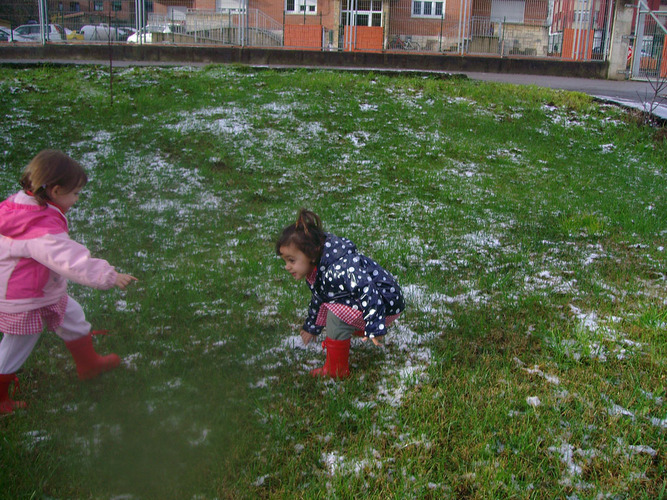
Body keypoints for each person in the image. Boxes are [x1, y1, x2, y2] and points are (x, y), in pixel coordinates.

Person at [0, 150, 137, 414]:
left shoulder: (23, 206)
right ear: (55, 190)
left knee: (72, 315)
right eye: (74, 194)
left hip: (39, 289)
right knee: (17, 345)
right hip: (23, 298)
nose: (76, 199)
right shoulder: (39, 230)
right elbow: (70, 260)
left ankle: (88, 363)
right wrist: (109, 276)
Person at [276, 209, 405, 379]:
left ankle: (336, 370)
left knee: (336, 316)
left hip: (386, 303)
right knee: (334, 305)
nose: (287, 266)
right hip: (379, 303)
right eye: (285, 261)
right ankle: (355, 330)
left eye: (292, 260)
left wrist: (374, 326)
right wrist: (312, 328)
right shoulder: (319, 269)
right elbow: (320, 298)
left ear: (312, 254)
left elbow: (367, 290)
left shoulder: (339, 268)